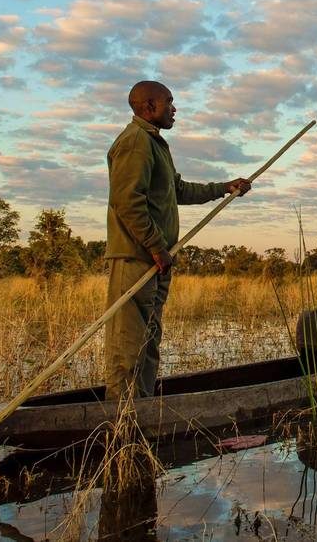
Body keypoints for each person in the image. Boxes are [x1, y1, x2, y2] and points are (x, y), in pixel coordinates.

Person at [105, 80, 252, 400]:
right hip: (136, 258)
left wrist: (224, 187)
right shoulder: (135, 142)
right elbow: (127, 202)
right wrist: (157, 247)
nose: (174, 109)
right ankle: (120, 426)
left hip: (155, 260)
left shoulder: (155, 144)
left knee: (148, 341)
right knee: (128, 344)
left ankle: (140, 413)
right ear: (148, 107)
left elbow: (179, 190)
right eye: (168, 102)